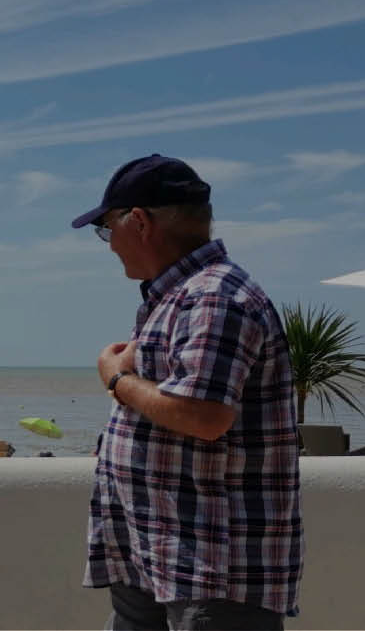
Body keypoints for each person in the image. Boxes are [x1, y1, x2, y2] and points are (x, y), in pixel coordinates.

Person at [72, 154, 301, 630]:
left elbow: (203, 416)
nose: (109, 244)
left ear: (138, 222)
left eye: (106, 228)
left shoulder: (213, 296)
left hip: (209, 568)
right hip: (158, 555)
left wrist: (118, 379)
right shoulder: (180, 297)